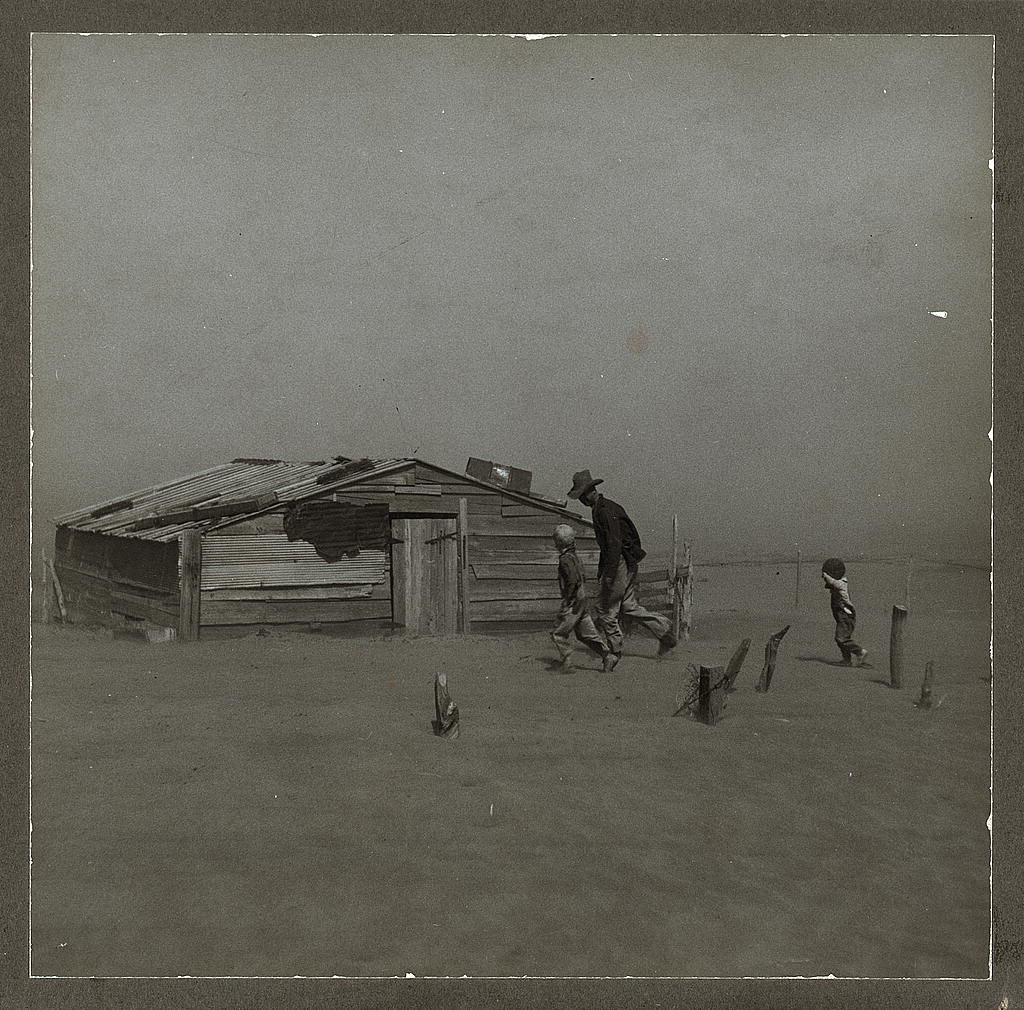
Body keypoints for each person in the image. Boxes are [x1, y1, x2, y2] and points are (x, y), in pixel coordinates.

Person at [567, 470, 677, 671]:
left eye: (582, 495)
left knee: (607, 611)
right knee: (628, 606)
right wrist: (604, 570)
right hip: (624, 561)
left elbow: (614, 543)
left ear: (591, 491)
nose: (581, 500)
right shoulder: (603, 507)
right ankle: (665, 631)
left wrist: (609, 575)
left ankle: (614, 653)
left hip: (619, 562)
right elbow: (609, 545)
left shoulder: (604, 511)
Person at [549, 523, 610, 669]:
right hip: (582, 600)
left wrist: (568, 601)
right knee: (586, 633)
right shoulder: (576, 557)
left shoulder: (565, 559)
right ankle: (608, 656)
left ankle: (567, 662)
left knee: (558, 633)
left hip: (574, 601)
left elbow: (572, 580)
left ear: (558, 542)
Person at [821, 557, 868, 666]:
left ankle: (860, 652)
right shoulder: (836, 583)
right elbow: (829, 583)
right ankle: (847, 660)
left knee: (840, 638)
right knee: (843, 639)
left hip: (846, 615)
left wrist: (826, 574)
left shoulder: (842, 584)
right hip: (841, 615)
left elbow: (833, 582)